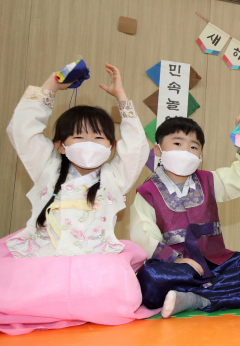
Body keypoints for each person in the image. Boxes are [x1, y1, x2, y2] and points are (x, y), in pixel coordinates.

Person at [0, 64, 156, 335]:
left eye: (98, 138)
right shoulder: (47, 166)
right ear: (60, 144)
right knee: (11, 297)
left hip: (95, 260)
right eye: (79, 137)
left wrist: (121, 98)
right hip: (44, 255)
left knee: (123, 296)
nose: (90, 144)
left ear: (111, 146)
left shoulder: (114, 177)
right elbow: (22, 131)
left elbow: (137, 148)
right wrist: (51, 86)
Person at [131, 116, 240, 318]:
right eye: (177, 143)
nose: (186, 151)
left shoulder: (210, 180)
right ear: (158, 150)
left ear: (200, 154)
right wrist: (177, 261)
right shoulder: (147, 192)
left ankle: (195, 299)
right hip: (175, 268)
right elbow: (143, 237)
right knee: (151, 278)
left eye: (194, 147)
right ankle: (213, 294)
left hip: (216, 263)